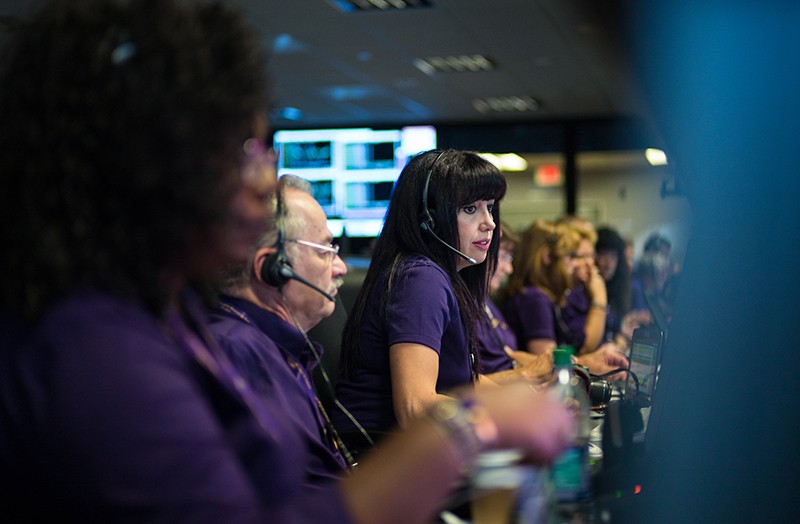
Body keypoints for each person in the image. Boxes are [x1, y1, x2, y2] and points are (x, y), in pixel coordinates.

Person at [0, 1, 574, 522]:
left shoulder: (164, 316)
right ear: (148, 166)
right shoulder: (96, 354)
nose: (261, 180)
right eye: (243, 150)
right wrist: (470, 423)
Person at [333, 149, 511, 453]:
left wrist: (530, 404)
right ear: (428, 220)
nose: (489, 223)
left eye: (490, 207)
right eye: (470, 209)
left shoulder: (440, 276)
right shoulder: (421, 279)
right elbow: (415, 407)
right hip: (380, 463)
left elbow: (465, 384)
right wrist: (513, 422)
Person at [207, 174, 353, 484]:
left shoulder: (275, 345)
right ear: (272, 268)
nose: (340, 267)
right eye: (325, 249)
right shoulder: (238, 352)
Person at [498, 219, 628, 376]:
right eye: (571, 256)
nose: (574, 265)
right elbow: (548, 366)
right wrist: (599, 299)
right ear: (548, 257)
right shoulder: (535, 298)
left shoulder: (543, 296)